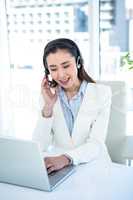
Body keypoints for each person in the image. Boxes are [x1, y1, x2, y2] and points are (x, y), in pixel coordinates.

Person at [32, 38, 112, 174]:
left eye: (66, 65)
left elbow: (96, 143)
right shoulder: (47, 97)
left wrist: (66, 158)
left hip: (95, 167)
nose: (61, 74)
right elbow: (39, 146)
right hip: (62, 170)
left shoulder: (102, 93)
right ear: (48, 72)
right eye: (53, 69)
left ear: (78, 62)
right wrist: (48, 108)